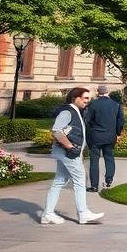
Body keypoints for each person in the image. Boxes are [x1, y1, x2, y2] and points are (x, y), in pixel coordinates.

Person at [41, 86, 104, 225]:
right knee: (80, 179)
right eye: (85, 98)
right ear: (76, 98)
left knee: (60, 181)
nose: (88, 101)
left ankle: (48, 214)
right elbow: (56, 131)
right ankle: (83, 213)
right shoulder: (68, 112)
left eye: (89, 98)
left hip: (68, 153)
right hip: (68, 153)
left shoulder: (75, 111)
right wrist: (70, 147)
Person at [83, 84, 125, 192]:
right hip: (110, 136)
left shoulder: (92, 104)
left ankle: (94, 186)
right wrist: (118, 133)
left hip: (95, 136)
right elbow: (121, 121)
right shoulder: (115, 104)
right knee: (109, 157)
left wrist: (90, 129)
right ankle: (109, 179)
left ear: (98, 93)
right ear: (107, 92)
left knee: (94, 161)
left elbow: (87, 120)